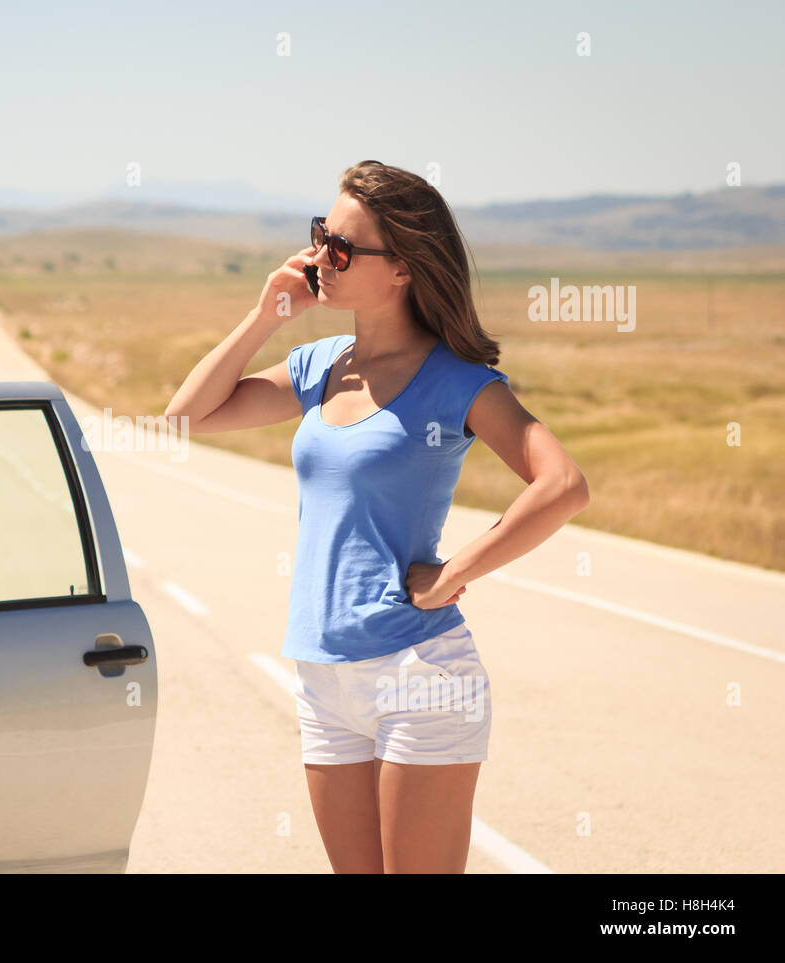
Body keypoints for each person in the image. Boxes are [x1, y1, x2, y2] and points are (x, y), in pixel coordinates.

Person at [163, 160, 590, 873]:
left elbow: (564, 483)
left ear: (402, 270)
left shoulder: (456, 380)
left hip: (418, 671)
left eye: (342, 248)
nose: (319, 258)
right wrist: (266, 313)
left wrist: (454, 571)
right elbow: (184, 418)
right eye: (319, 236)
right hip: (323, 674)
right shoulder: (322, 366)